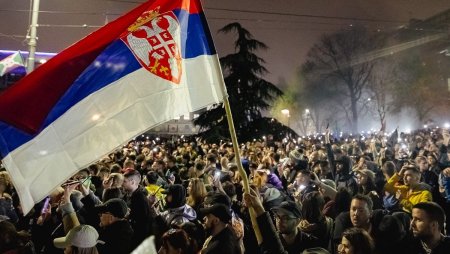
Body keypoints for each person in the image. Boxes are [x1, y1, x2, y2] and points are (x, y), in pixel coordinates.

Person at [122, 169, 151, 248]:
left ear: (132, 182)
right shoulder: (127, 195)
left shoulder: (141, 199)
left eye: (124, 181)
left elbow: (143, 224)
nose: (122, 184)